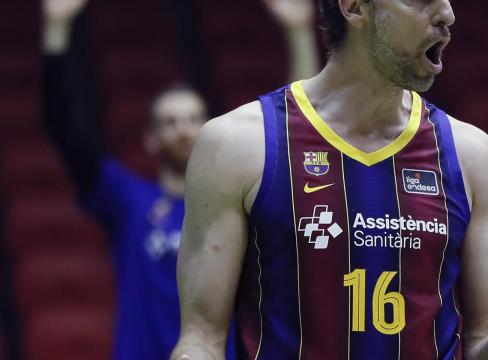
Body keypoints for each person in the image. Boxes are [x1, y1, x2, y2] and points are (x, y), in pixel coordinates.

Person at [171, 0, 488, 358]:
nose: (447, 14)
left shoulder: (470, 154)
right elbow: (201, 340)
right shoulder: (235, 144)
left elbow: (485, 341)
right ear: (354, 7)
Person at [41, 0, 319, 358]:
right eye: (170, 122)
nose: (183, 130)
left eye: (192, 119)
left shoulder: (237, 203)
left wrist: (298, 33)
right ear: (150, 138)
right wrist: (56, 28)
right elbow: (64, 128)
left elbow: (293, 131)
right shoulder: (127, 200)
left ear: (210, 129)